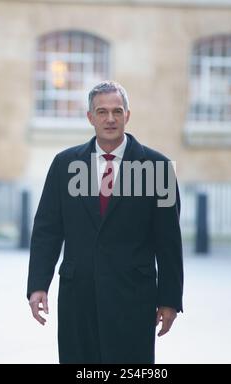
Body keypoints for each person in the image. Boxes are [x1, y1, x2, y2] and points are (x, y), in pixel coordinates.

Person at [27, 80, 183, 364]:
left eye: (117, 111)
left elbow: (169, 241)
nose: (110, 119)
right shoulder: (64, 165)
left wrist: (170, 299)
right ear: (90, 117)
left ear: (128, 115)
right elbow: (47, 230)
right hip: (79, 298)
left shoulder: (157, 168)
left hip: (133, 297)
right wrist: (38, 284)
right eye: (102, 112)